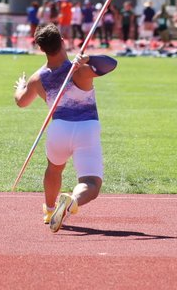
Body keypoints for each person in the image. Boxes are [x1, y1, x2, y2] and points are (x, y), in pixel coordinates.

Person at [13, 22, 118, 233]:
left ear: (41, 48)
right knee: (91, 183)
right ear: (62, 41)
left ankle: (50, 210)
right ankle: (72, 200)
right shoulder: (79, 71)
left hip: (58, 130)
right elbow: (111, 64)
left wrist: (21, 87)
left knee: (54, 169)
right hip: (86, 128)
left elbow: (21, 102)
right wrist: (89, 58)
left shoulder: (37, 79)